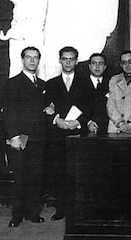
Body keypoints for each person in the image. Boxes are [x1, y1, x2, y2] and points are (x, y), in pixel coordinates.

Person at [45, 46, 91, 221]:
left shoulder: (85, 82)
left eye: (72, 59)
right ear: (60, 61)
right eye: (65, 59)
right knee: (59, 172)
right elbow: (46, 108)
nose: (68, 62)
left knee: (78, 172)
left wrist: (77, 122)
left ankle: (78, 210)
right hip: (57, 135)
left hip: (78, 134)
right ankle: (61, 208)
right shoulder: (51, 84)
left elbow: (90, 107)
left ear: (77, 61)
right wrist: (57, 120)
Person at [4, 46, 46, 227]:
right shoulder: (13, 83)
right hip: (21, 138)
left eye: (35, 58)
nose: (32, 61)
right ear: (22, 60)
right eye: (28, 57)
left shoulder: (43, 84)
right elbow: (9, 112)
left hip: (39, 139)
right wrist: (13, 136)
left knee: (36, 177)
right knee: (20, 177)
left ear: (39, 60)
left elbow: (45, 111)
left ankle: (33, 213)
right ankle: (17, 216)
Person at [0, 0, 47, 78]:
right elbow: (11, 14)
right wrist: (14, 32)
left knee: (37, 63)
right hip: (17, 32)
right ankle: (13, 93)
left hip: (34, 31)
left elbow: (41, 14)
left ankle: (40, 92)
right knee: (16, 65)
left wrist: (32, 31)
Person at [85, 53, 110, 134]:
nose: (97, 66)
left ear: (105, 67)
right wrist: (88, 122)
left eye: (100, 63)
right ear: (89, 66)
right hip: (85, 129)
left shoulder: (111, 83)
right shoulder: (80, 83)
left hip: (107, 129)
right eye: (94, 63)